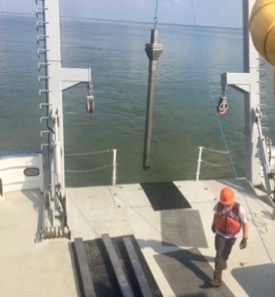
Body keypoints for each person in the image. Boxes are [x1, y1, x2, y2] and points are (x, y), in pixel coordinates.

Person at [210, 187, 248, 287]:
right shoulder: (218, 205)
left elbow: (245, 223)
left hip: (232, 236)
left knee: (227, 250)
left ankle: (225, 260)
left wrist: (245, 238)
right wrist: (214, 224)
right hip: (220, 234)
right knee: (219, 254)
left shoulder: (240, 209)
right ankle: (217, 278)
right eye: (223, 202)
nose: (225, 204)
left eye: (226, 202)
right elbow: (215, 215)